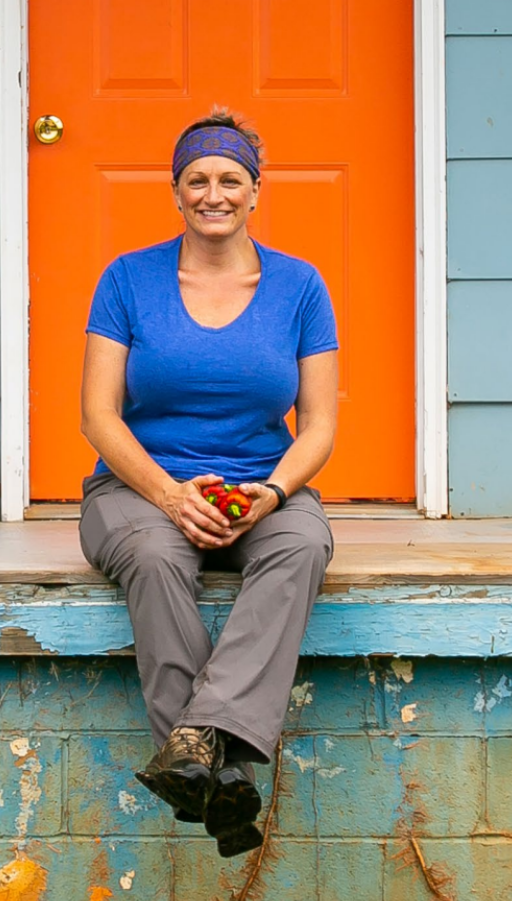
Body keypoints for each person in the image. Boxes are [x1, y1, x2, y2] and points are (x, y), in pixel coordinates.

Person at [77, 110, 339, 858]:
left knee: (301, 548)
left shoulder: (299, 285)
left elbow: (317, 423)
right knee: (156, 559)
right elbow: (98, 415)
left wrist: (276, 494)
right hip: (136, 489)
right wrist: (166, 495)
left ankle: (198, 747)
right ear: (175, 191)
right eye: (197, 179)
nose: (213, 193)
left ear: (256, 191)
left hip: (261, 486)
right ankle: (220, 771)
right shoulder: (128, 278)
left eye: (230, 179)